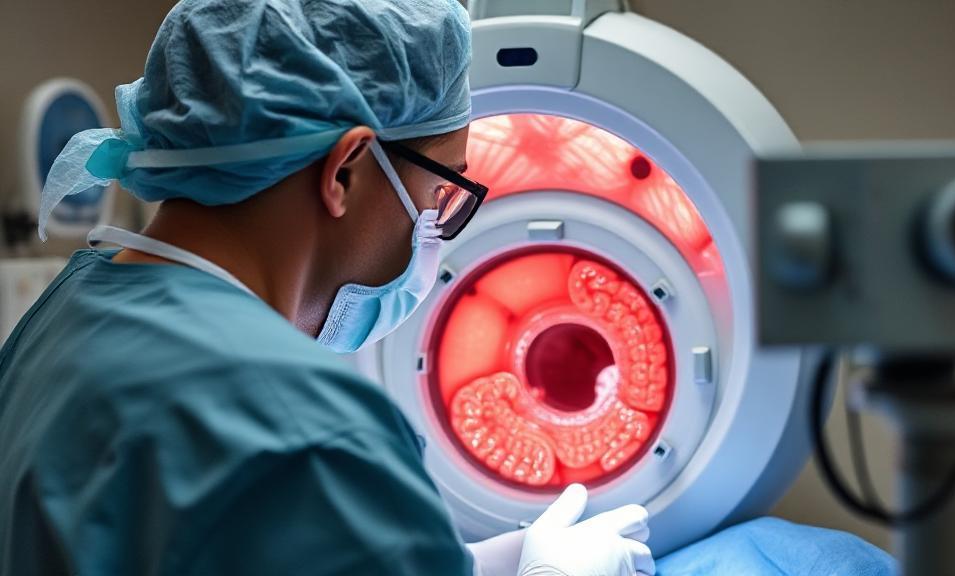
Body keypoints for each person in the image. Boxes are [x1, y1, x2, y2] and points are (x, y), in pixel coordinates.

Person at [0, 1, 895, 575]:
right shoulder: (301, 424)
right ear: (346, 170)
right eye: (447, 196)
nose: (437, 234)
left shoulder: (63, 322)